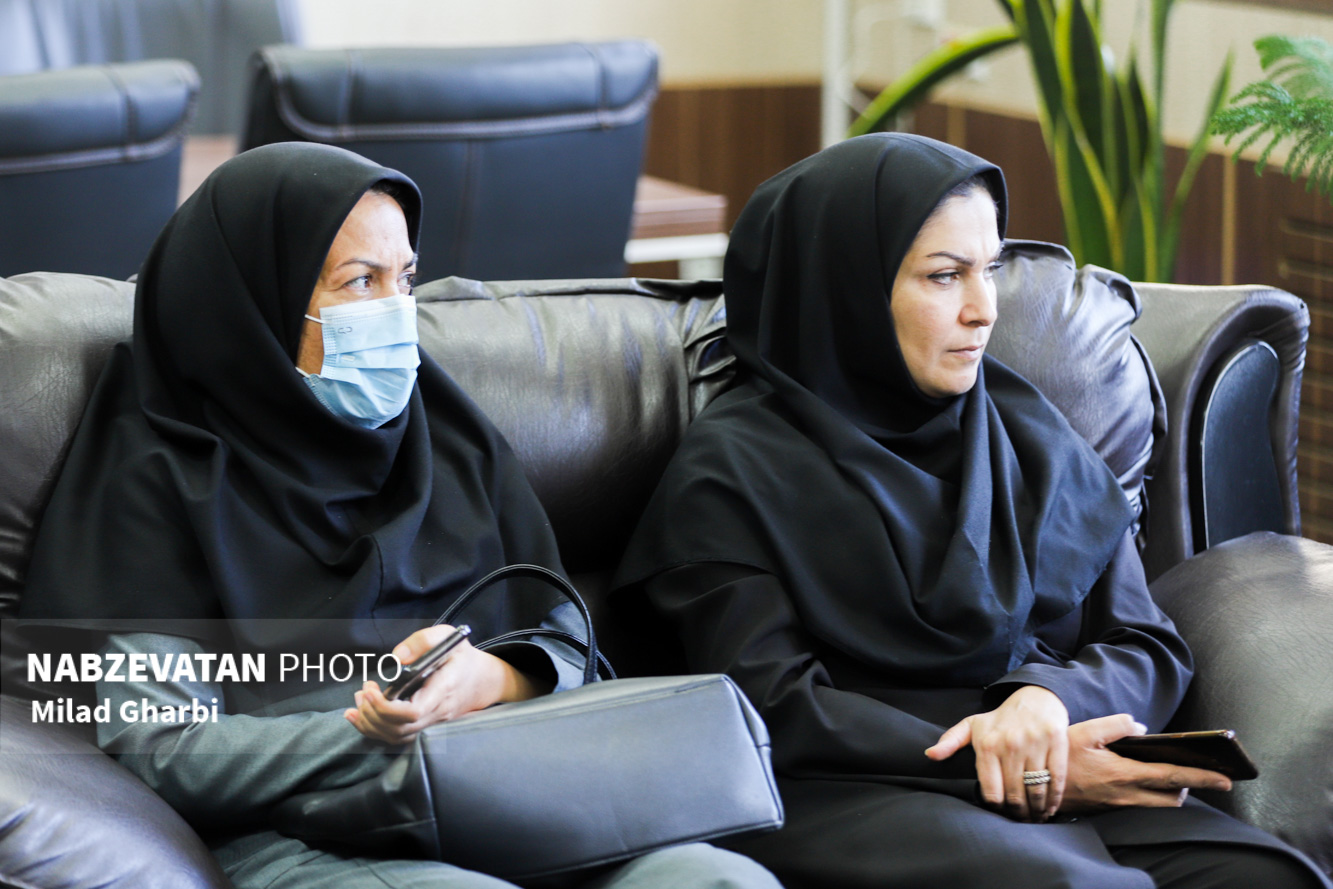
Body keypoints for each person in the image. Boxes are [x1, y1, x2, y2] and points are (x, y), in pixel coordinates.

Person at [17, 142, 780, 889]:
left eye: (405, 279)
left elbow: (570, 644)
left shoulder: (443, 436)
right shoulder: (153, 471)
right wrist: (386, 737)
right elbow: (162, 744)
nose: (394, 314)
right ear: (253, 305)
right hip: (311, 834)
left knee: (717, 877)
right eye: (360, 281)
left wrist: (494, 678)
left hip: (524, 799)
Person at [611, 133, 1331, 889]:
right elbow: (772, 707)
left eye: (989, 269)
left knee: (1260, 877)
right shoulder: (729, 471)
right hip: (862, 792)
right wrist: (1009, 762)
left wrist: (1045, 700)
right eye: (944, 276)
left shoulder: (1029, 433)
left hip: (1063, 769)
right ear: (845, 292)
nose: (983, 310)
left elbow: (1146, 642)